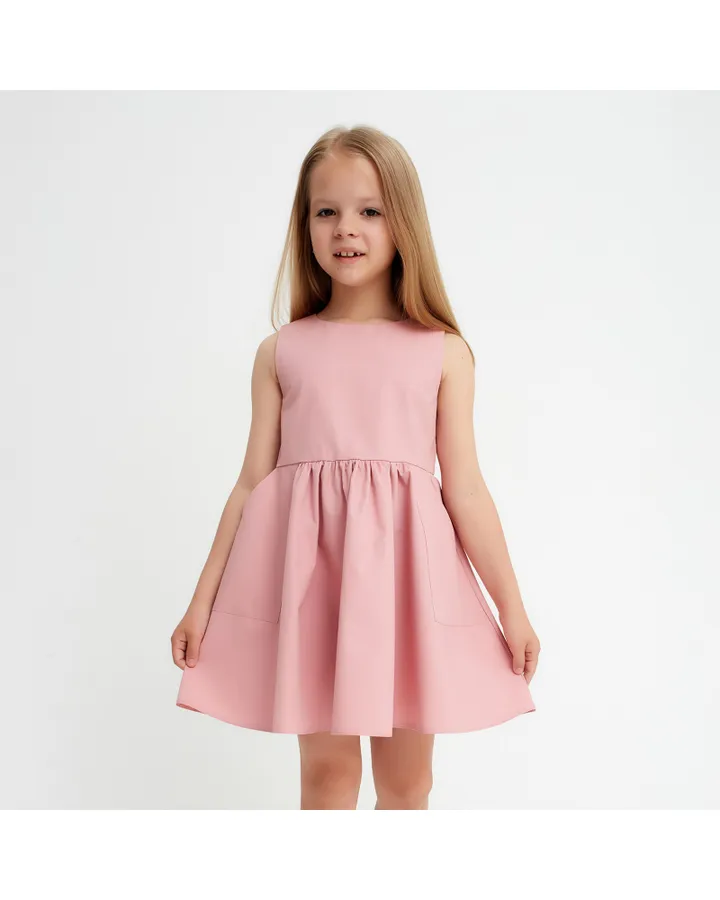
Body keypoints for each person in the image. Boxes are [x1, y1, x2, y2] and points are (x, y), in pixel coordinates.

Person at [171, 124, 540, 810]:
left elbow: (465, 490)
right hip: (315, 590)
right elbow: (250, 484)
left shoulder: (443, 352)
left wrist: (510, 608)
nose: (346, 228)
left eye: (370, 210)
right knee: (327, 777)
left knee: (407, 783)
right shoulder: (282, 352)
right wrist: (202, 603)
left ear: (404, 223)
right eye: (326, 211)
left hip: (407, 593)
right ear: (305, 225)